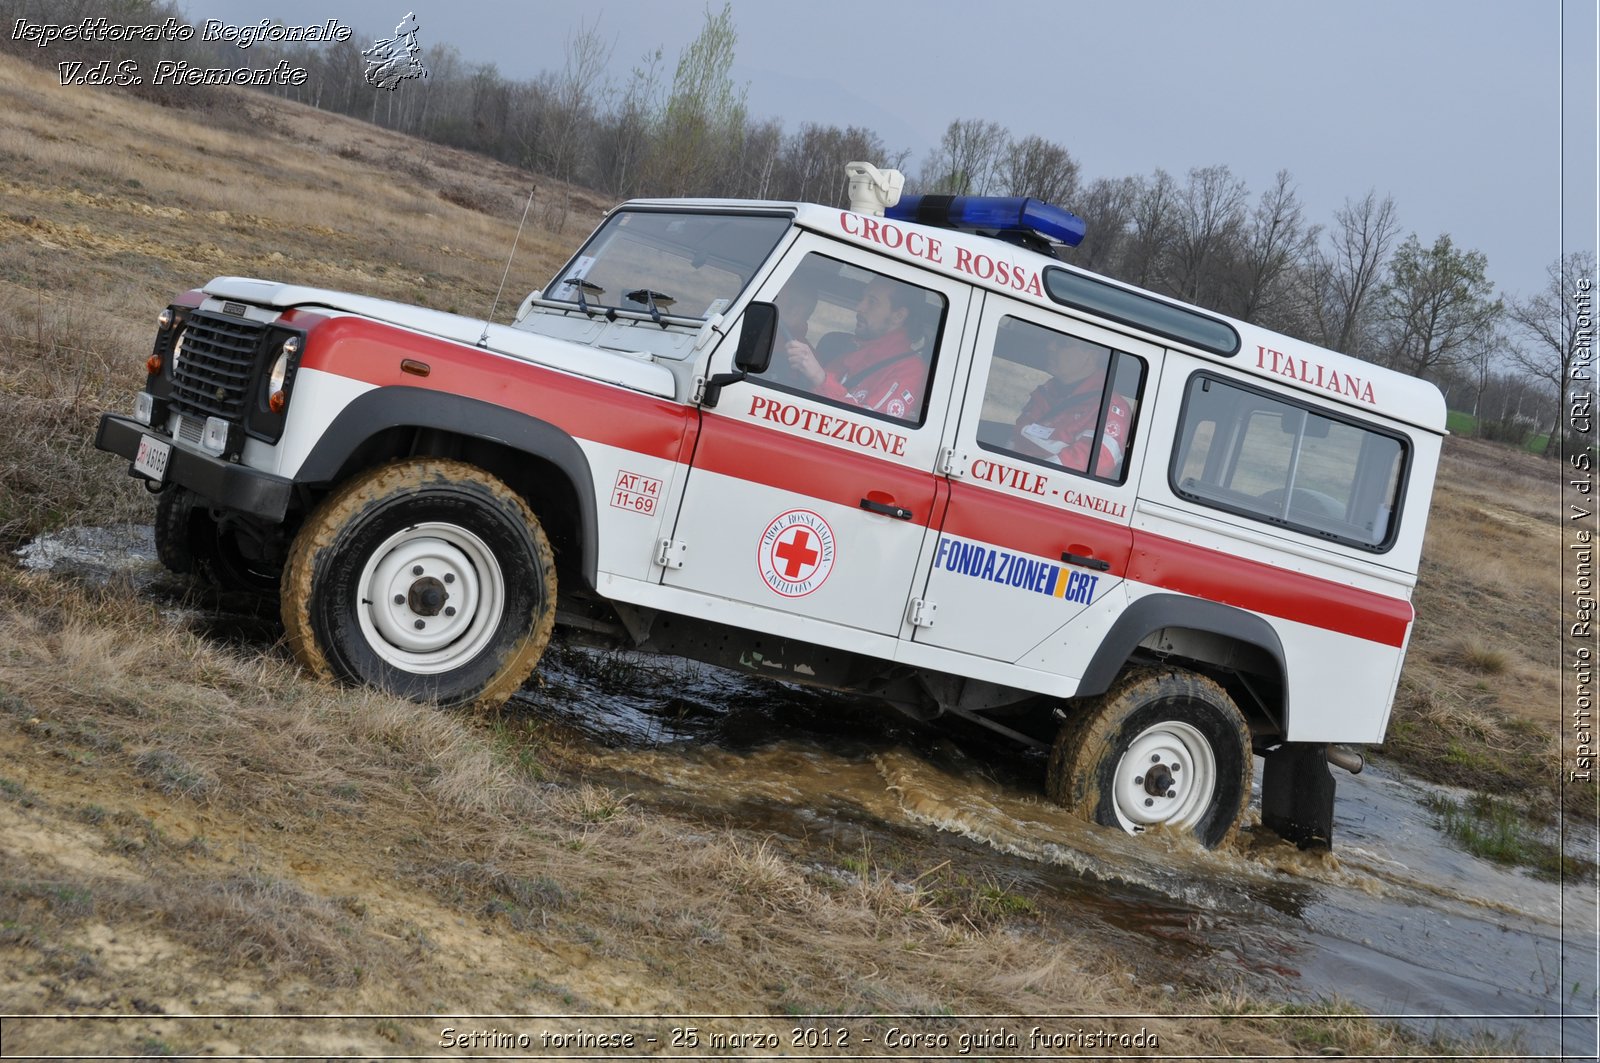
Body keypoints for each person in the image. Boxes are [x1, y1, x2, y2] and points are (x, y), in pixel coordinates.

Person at [783, 276, 928, 421]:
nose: (859, 307)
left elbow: (872, 428)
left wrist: (820, 378)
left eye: (872, 302)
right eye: (863, 298)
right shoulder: (852, 352)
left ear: (898, 316)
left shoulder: (910, 370)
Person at [1010, 333, 1134, 477]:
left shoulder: (1109, 408)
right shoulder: (1047, 392)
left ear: (1092, 356)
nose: (1050, 347)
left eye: (1063, 343)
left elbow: (1098, 462)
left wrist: (1032, 474)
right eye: (1052, 339)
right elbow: (1016, 438)